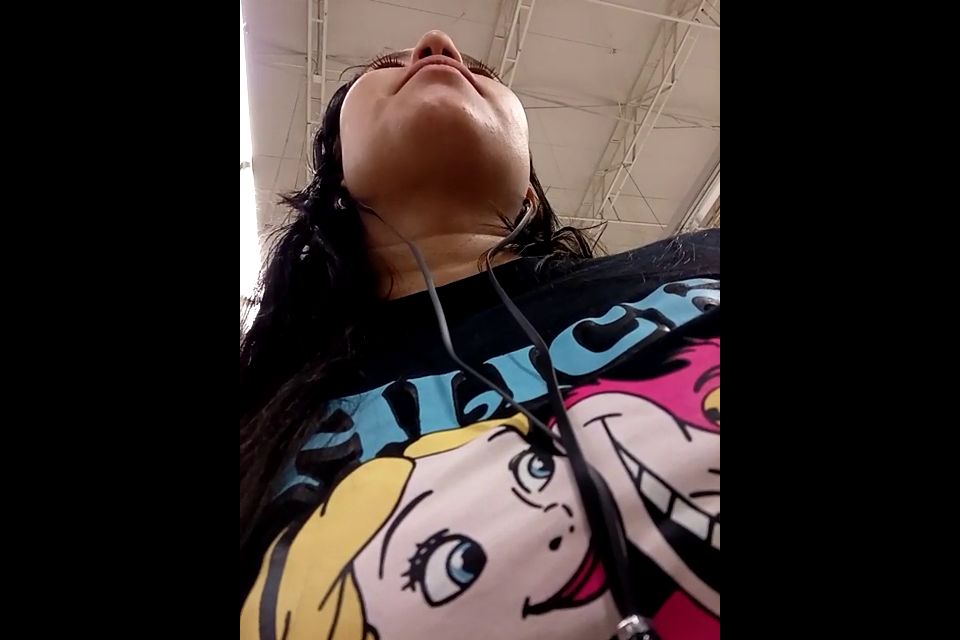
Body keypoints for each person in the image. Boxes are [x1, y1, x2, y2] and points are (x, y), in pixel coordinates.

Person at [240, 30, 719, 640]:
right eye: (387, 65)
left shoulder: (705, 261)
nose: (436, 45)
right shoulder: (261, 414)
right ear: (334, 181)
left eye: (482, 73)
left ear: (530, 195)